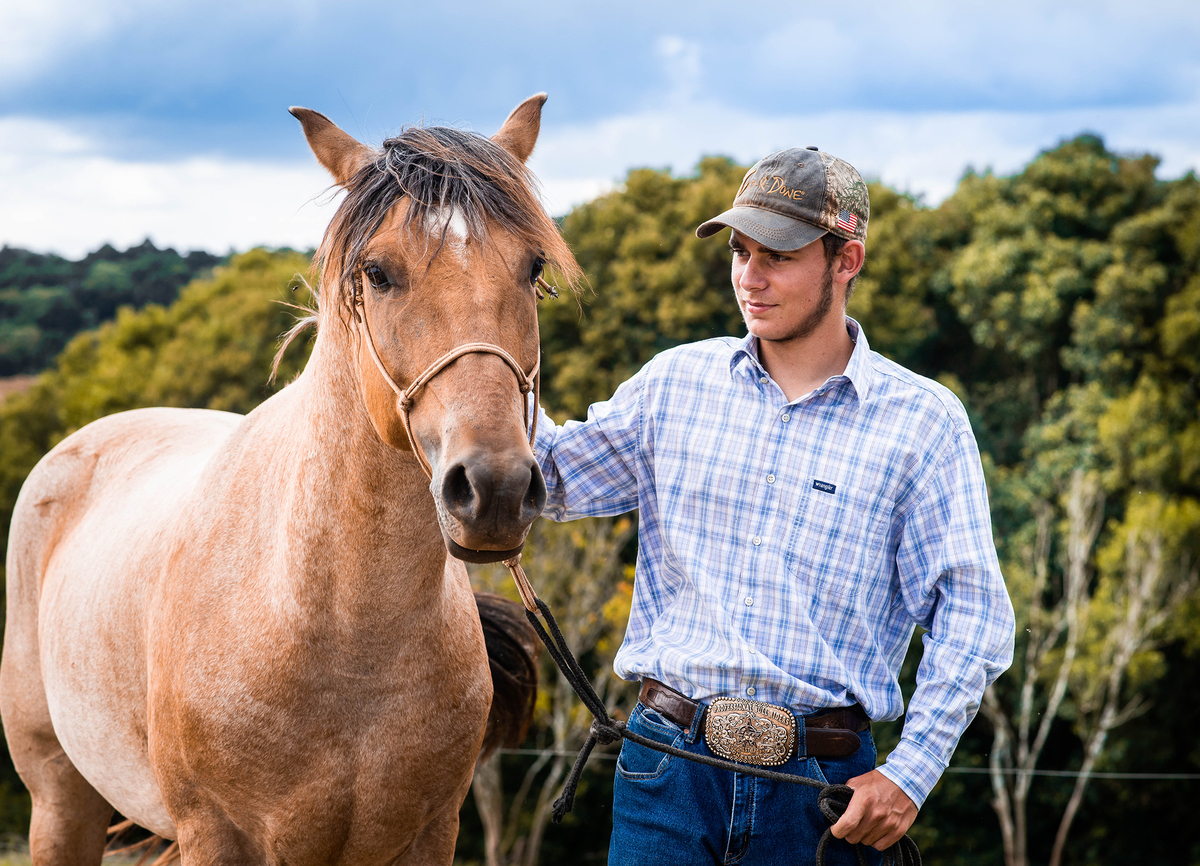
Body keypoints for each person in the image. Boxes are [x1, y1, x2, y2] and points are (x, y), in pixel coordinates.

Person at [532, 146, 1015, 866]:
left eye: (778, 257)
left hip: (823, 795)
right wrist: (474, 350)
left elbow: (973, 616)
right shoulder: (674, 384)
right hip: (665, 774)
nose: (749, 279)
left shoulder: (923, 422)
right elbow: (550, 477)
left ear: (846, 260)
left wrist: (911, 776)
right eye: (739, 251)